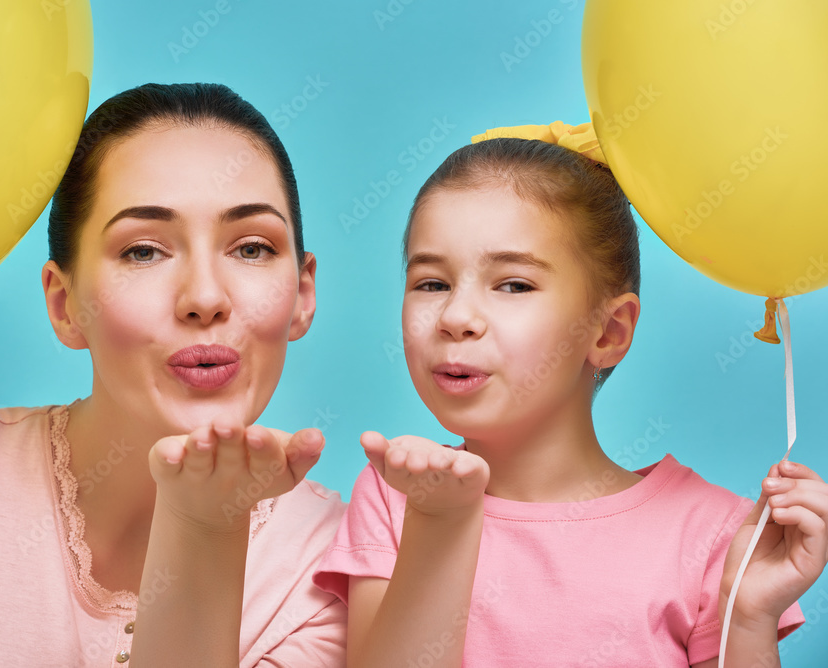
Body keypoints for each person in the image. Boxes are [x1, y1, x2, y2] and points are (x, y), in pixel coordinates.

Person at [0, 83, 348, 667]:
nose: (205, 298)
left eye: (251, 248)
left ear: (303, 294)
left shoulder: (335, 568)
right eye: (143, 251)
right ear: (64, 303)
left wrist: (205, 525)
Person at [313, 122, 828, 667]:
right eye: (432, 283)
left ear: (607, 333)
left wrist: (748, 617)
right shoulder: (397, 499)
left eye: (513, 285)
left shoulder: (714, 536)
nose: (456, 317)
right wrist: (435, 524)